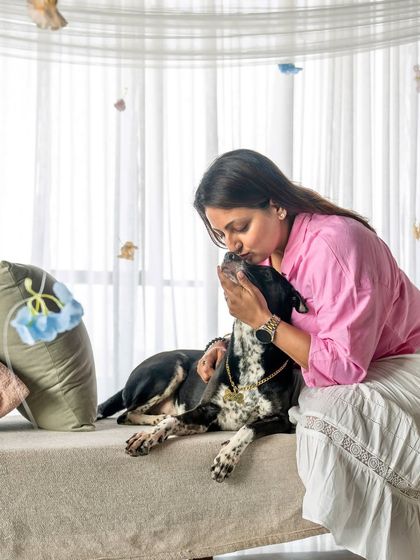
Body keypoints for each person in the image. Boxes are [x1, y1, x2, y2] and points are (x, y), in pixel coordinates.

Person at [193, 148, 420, 560]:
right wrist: (224, 347)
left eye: (239, 227)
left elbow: (343, 368)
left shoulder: (334, 244)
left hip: (403, 360)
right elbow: (297, 329)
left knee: (323, 413)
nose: (232, 244)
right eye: (221, 234)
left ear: (276, 204)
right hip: (350, 361)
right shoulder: (269, 254)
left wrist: (263, 321)